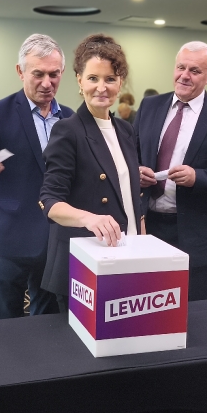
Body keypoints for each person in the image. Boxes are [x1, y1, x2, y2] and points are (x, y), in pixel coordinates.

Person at [0, 33, 73, 320]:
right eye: (38, 74)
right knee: (4, 320)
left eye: (54, 74)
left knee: (49, 318)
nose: (47, 83)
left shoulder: (70, 118)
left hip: (56, 236)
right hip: (11, 235)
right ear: (20, 71)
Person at [135, 41, 207, 302]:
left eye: (195, 71)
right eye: (180, 67)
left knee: (189, 311)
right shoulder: (150, 106)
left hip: (196, 235)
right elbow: (131, 153)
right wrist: (136, 171)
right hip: (147, 226)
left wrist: (198, 177)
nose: (184, 75)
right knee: (145, 305)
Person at [40, 34, 142, 308]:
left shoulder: (126, 130)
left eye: (110, 79)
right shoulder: (68, 130)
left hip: (126, 253)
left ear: (120, 82)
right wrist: (89, 218)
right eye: (93, 78)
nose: (101, 87)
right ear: (79, 80)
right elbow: (50, 201)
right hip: (85, 263)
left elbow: (130, 198)